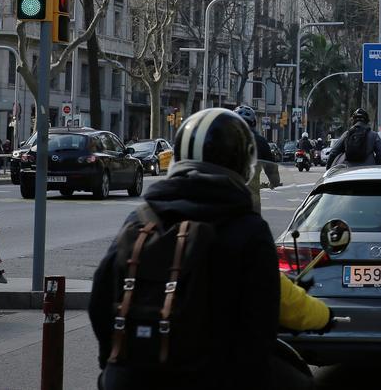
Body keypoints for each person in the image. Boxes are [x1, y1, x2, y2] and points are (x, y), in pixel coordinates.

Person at [89, 108, 278, 389]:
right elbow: (260, 329)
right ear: (242, 161)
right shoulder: (250, 231)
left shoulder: (142, 218)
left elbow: (100, 299)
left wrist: (114, 363)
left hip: (130, 377)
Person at [234, 105, 281, 212]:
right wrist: (274, 182)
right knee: (256, 226)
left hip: (226, 196)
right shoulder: (261, 142)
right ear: (254, 123)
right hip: (251, 198)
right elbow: (272, 171)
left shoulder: (225, 138)